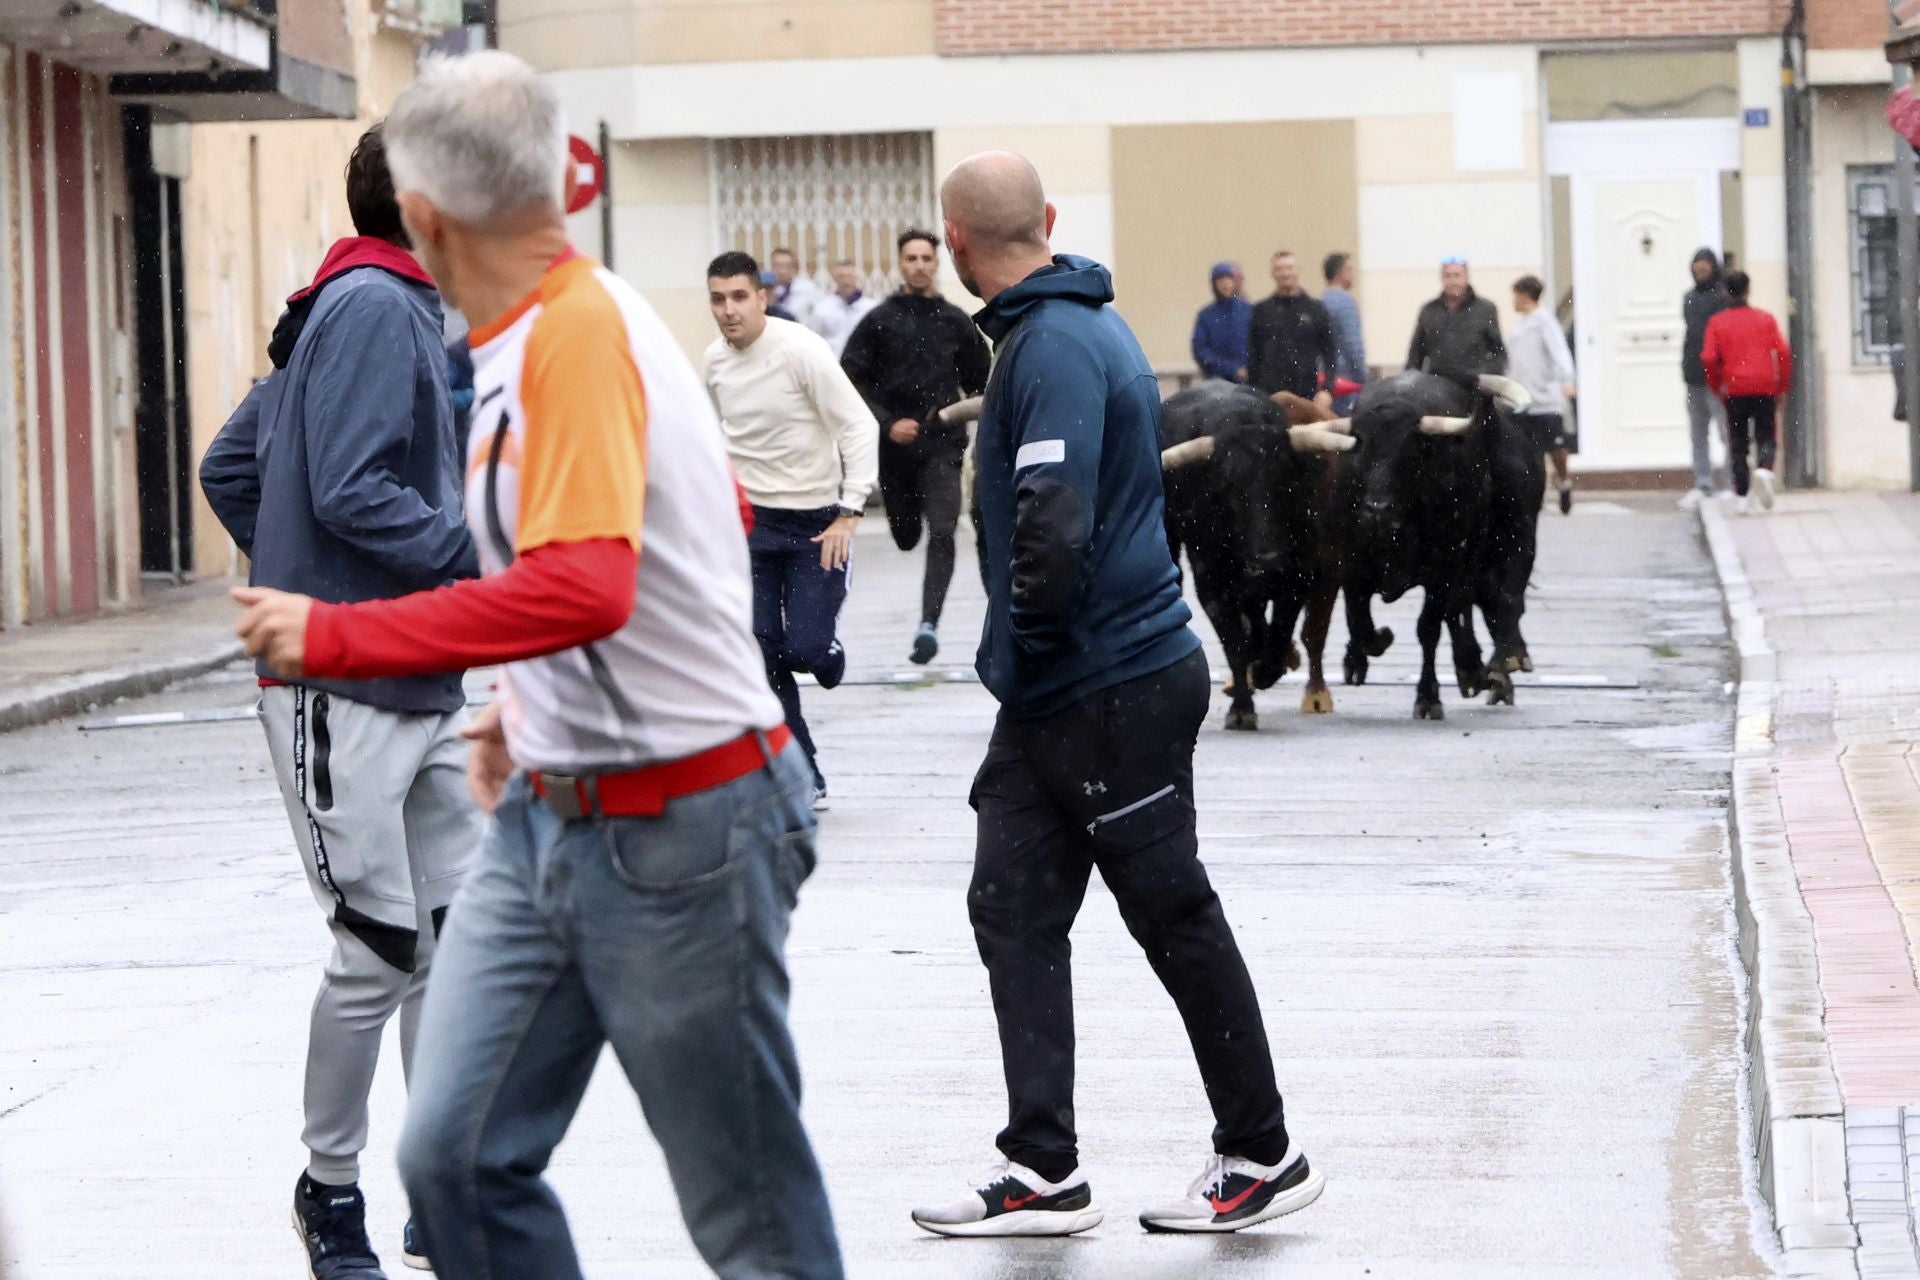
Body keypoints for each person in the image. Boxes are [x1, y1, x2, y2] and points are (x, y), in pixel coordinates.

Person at [225, 51, 846, 1280]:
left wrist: (336, 634)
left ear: (425, 211)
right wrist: (536, 689)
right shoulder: (510, 337)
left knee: (750, 1219)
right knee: (453, 1159)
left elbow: (585, 583)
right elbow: (687, 517)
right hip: (555, 812)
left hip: (688, 818)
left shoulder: (576, 332)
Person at [912, 150, 1324, 1239]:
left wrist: (1036, 650)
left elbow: (1050, 517)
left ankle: (1263, 1149)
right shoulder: (1082, 323)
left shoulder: (1049, 344)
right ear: (1045, 219)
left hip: (1105, 683)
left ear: (956, 243)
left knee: (1173, 913)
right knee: (1011, 904)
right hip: (1062, 687)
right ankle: (1042, 1165)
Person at [198, 123, 482, 1280]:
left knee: (448, 943)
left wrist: (287, 551)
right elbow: (349, 484)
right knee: (377, 948)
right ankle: (331, 1190)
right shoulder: (368, 305)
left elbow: (236, 466)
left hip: (419, 672)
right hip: (345, 680)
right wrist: (471, 560)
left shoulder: (372, 304)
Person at [707, 249, 879, 808]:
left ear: (762, 297)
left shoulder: (800, 349)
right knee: (761, 655)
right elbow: (707, 446)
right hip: (749, 527)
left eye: (738, 296)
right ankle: (804, 773)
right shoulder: (712, 362)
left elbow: (856, 426)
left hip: (816, 525)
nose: (728, 310)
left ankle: (826, 653)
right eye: (718, 298)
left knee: (803, 651)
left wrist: (850, 511)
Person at [840, 228, 993, 665]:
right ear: (901, 264)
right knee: (907, 537)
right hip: (895, 452)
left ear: (936, 264)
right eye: (912, 258)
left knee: (943, 530)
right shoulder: (879, 320)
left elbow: (983, 382)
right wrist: (887, 425)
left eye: (927, 258)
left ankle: (929, 625)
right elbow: (848, 381)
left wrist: (955, 415)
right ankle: (905, 529)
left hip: (942, 445)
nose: (920, 265)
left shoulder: (955, 321)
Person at [1701, 269, 1792, 513]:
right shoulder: (1765, 319)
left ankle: (1742, 495)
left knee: (1738, 442)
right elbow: (1783, 353)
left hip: (1734, 388)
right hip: (1764, 385)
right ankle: (1764, 469)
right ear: (1748, 290)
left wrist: (1716, 384)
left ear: (1725, 292)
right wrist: (1781, 385)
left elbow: (1708, 357)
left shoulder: (1718, 322)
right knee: (1767, 434)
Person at [1508, 274, 1579, 514]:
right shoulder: (1519, 325)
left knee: (1554, 446)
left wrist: (1567, 380)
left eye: (1515, 296)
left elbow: (1560, 353)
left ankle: (1564, 481)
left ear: (1525, 296)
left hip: (1545, 398)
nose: (1513, 301)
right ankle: (1535, 494)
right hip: (1523, 399)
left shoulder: (1544, 322)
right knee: (1531, 451)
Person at [1248, 250, 1336, 410]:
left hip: (1307, 396)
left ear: (1297, 271)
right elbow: (1253, 357)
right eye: (1279, 269)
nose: (1285, 273)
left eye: (1289, 268)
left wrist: (1327, 390)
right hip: (1269, 397)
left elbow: (1330, 353)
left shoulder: (1316, 309)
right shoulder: (1261, 311)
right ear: (1273, 274)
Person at [1680, 247, 1733, 509]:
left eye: (1705, 268)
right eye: (1696, 268)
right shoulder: (1689, 298)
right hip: (1693, 376)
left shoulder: (1722, 298)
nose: (1700, 272)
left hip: (1718, 378)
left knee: (1726, 433)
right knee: (1698, 434)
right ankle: (1703, 483)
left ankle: (1732, 483)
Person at [1407, 255, 1506, 386]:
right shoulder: (1429, 311)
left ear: (1467, 276)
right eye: (1447, 276)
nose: (1453, 281)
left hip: (1474, 389)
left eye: (1457, 275)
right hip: (1436, 388)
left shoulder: (1485, 309)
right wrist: (1409, 382)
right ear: (1442, 279)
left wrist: (1483, 376)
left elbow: (1498, 353)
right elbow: (1415, 354)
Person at [1321, 251, 1367, 414]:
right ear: (1342, 272)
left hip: (1325, 379)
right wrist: (1364, 379)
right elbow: (1353, 345)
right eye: (1350, 270)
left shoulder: (1320, 302)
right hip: (1346, 381)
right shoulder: (1345, 302)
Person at [1190, 261, 1251, 382]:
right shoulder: (1206, 316)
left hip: (1251, 382)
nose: (1225, 284)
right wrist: (1232, 370)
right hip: (1218, 383)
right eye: (1220, 280)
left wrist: (1250, 369)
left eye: (1229, 279)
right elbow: (1201, 350)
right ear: (1214, 284)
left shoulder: (1250, 311)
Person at [808, 259, 879, 357]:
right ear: (835, 279)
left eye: (850, 276)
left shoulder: (871, 308)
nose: (846, 281)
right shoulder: (822, 309)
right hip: (833, 364)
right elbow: (813, 339)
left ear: (856, 278)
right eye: (841, 277)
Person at [769, 246, 824, 325]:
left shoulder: (809, 288)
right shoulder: (768, 290)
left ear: (794, 268)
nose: (782, 271)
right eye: (778, 266)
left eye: (786, 266)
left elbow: (821, 314)